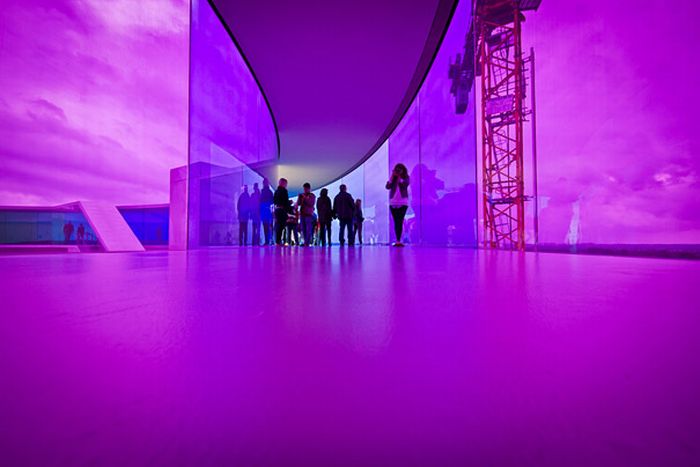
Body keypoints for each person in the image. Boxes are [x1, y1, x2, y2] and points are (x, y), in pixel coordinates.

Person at [386, 163, 410, 247]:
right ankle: (397, 240)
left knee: (400, 221)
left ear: (403, 170)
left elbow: (404, 184)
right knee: (396, 222)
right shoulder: (393, 178)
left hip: (403, 202)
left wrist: (399, 177)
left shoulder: (406, 177)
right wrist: (393, 176)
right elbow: (388, 186)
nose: (398, 171)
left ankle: (399, 240)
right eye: (397, 169)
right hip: (393, 202)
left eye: (400, 169)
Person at [296, 182, 316, 246]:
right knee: (303, 229)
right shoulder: (302, 195)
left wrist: (305, 198)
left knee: (308, 229)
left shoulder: (312, 195)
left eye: (306, 189)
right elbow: (298, 204)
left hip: (309, 215)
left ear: (309, 189)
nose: (305, 190)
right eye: (304, 189)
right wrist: (299, 198)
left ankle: (307, 242)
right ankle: (305, 241)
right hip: (302, 214)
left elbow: (311, 203)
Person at [273, 178, 290, 245]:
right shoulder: (284, 191)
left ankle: (277, 241)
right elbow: (285, 201)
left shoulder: (276, 191)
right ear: (283, 183)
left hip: (277, 209)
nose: (286, 185)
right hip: (282, 210)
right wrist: (288, 207)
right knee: (282, 226)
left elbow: (274, 201)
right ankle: (279, 241)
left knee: (278, 225)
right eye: (286, 184)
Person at [260, 178, 274, 245]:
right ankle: (268, 240)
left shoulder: (267, 192)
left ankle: (268, 241)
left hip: (266, 211)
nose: (264, 183)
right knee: (266, 226)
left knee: (267, 226)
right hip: (266, 211)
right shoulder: (267, 191)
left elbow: (272, 202)